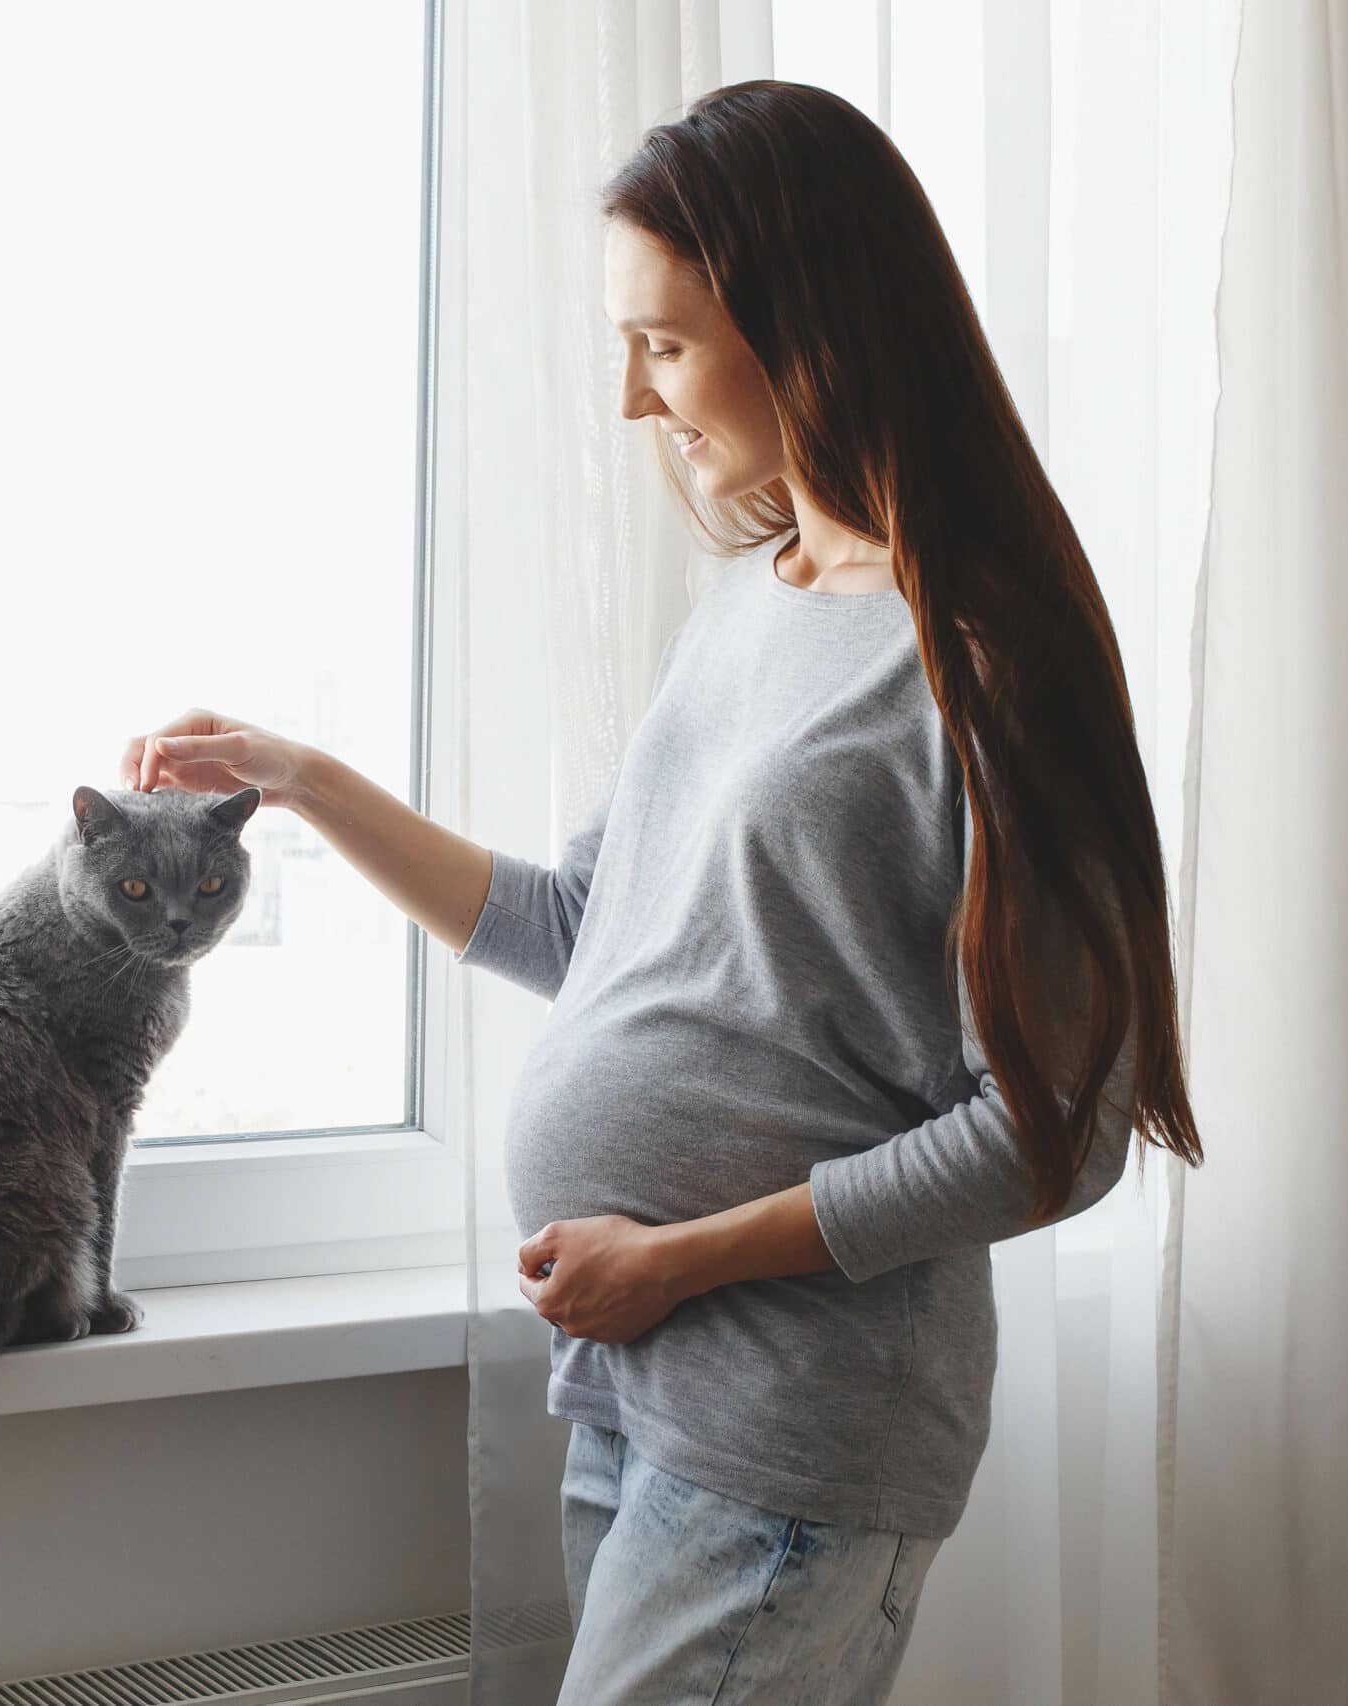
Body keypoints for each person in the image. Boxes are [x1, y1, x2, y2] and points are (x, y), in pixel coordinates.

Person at [119, 80, 1203, 1704]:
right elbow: (581, 926)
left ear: (816, 325)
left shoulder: (987, 667)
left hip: (796, 1428)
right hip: (635, 1389)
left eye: (670, 344)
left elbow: (1052, 1131)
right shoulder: (754, 602)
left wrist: (683, 1257)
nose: (635, 397)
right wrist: (304, 779)